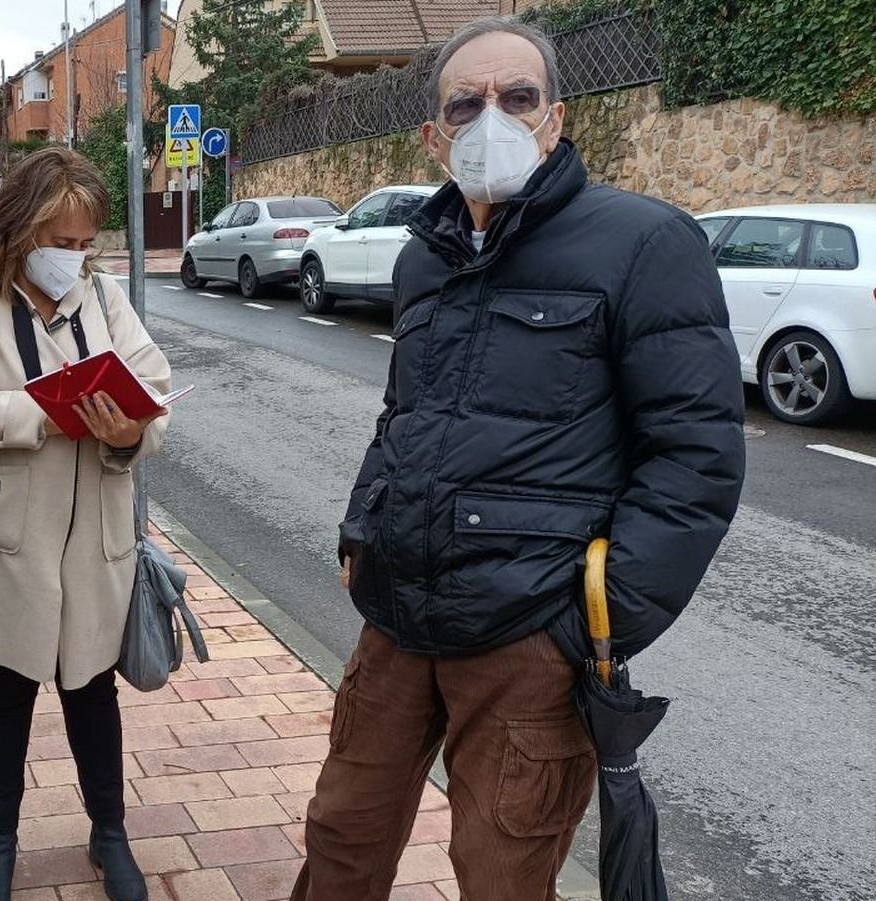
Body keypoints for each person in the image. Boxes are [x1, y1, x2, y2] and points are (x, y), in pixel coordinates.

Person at [293, 18, 745, 901]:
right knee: (340, 836)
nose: (489, 116)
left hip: (524, 635)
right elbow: (404, 414)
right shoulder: (424, 257)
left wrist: (590, 623)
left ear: (555, 117)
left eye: (516, 97)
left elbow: (695, 457)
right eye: (466, 102)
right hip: (395, 617)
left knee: (502, 874)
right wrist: (360, 531)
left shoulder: (644, 243)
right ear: (434, 134)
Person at [0, 146, 171, 901]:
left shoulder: (104, 299)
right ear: (18, 231)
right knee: (4, 691)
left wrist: (128, 431)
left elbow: (150, 386)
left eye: (84, 240)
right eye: (60, 241)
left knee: (93, 692)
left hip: (93, 536)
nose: (75, 256)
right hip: (5, 537)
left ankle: (110, 834)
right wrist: (51, 411)